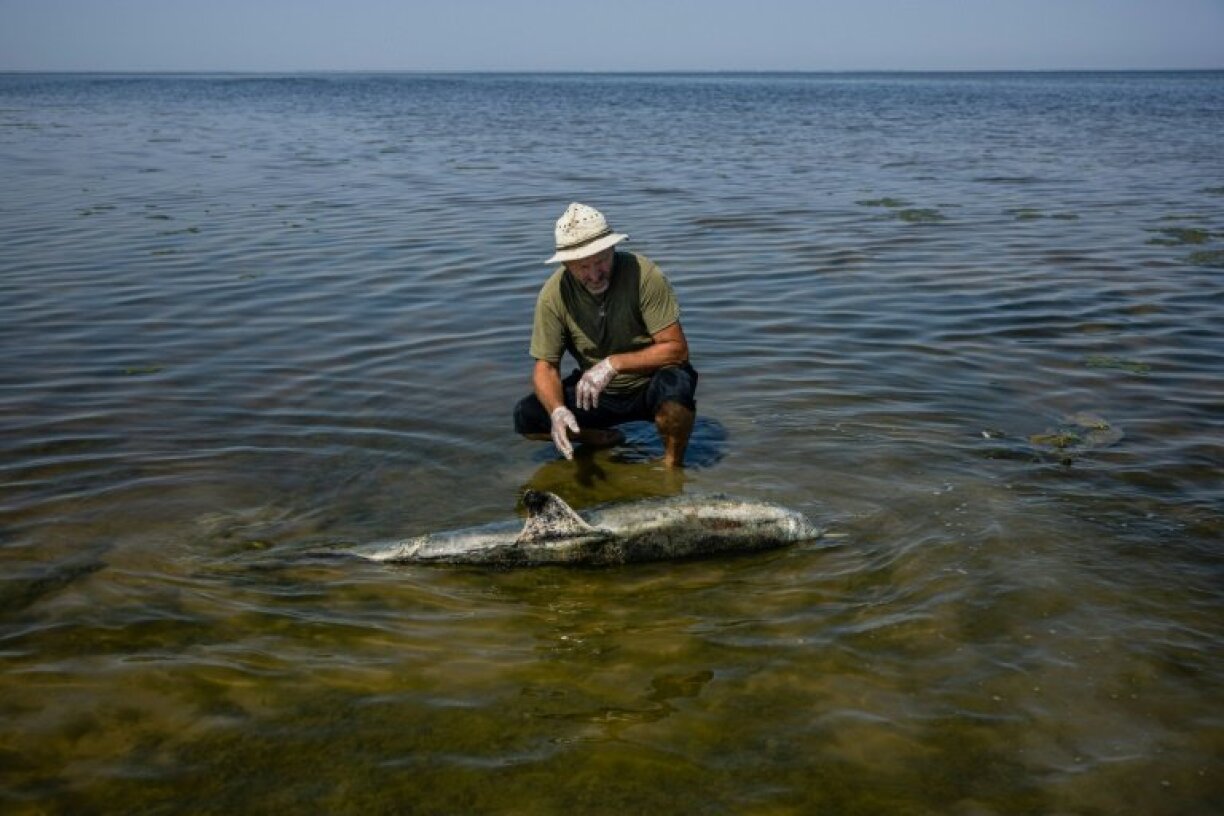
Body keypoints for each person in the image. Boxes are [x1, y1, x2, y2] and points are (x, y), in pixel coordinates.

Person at [513, 202, 698, 468]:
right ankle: (600, 438)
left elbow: (677, 350)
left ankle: (672, 466)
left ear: (613, 249)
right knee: (527, 416)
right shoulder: (553, 296)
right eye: (582, 267)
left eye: (601, 261)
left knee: (676, 391)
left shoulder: (644, 275)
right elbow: (546, 367)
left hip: (649, 383)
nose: (595, 275)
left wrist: (613, 364)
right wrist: (557, 410)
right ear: (566, 264)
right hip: (595, 392)